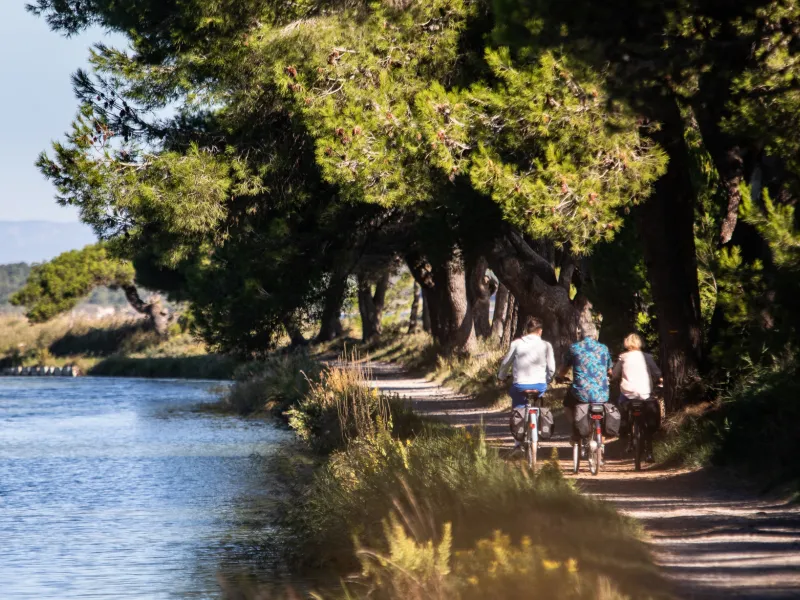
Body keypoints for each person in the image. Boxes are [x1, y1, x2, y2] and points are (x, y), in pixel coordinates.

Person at [556, 321, 613, 453]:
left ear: (580, 334)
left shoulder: (574, 348)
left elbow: (564, 368)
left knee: (567, 406)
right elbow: (610, 371)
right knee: (603, 412)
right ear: (595, 335)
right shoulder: (603, 348)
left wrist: (560, 377)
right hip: (601, 393)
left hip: (580, 392)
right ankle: (602, 443)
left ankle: (576, 431)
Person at [611, 333, 663, 462]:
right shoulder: (647, 357)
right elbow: (657, 373)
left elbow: (615, 375)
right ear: (640, 343)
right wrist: (660, 381)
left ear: (626, 343)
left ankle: (625, 430)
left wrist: (614, 380)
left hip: (628, 395)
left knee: (621, 405)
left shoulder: (623, 357)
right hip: (645, 395)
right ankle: (649, 453)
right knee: (649, 421)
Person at [497, 316, 555, 407]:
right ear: (540, 331)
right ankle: (537, 415)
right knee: (538, 399)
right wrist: (548, 379)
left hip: (520, 385)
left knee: (518, 402)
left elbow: (506, 363)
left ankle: (519, 415)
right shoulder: (546, 345)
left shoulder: (516, 344)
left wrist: (501, 376)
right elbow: (551, 369)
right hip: (539, 385)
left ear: (527, 330)